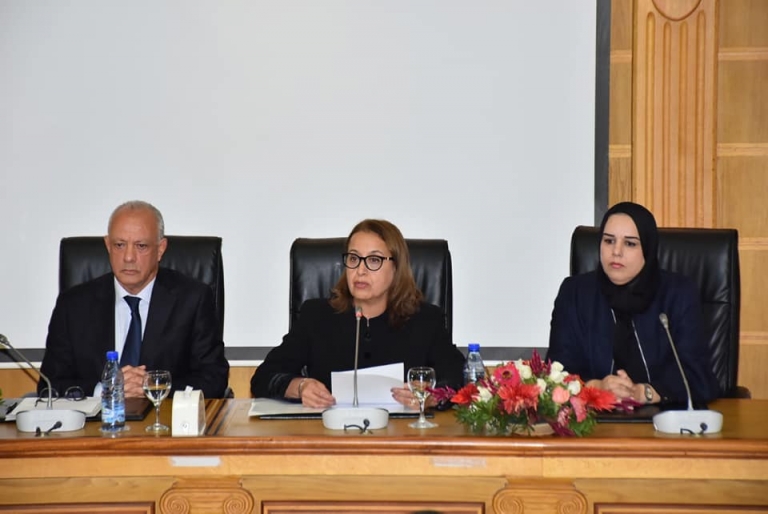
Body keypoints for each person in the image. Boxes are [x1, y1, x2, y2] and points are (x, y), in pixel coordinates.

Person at [250, 219, 465, 408]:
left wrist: (432, 395)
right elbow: (263, 377)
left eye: (374, 260)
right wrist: (300, 387)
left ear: (396, 268)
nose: (360, 270)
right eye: (353, 259)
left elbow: (458, 378)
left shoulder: (425, 320)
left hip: (403, 435)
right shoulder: (316, 316)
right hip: (331, 434)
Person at [39, 200, 230, 399]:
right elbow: (49, 385)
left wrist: (154, 387)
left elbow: (214, 378)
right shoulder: (73, 305)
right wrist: (106, 389)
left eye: (141, 246)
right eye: (119, 245)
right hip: (97, 418)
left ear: (161, 249)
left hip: (163, 416)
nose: (128, 257)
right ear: (108, 245)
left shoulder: (192, 300)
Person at [546, 202, 719, 406]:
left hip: (664, 418)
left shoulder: (678, 294)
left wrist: (644, 392)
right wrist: (597, 387)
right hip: (593, 417)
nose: (616, 251)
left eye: (630, 243)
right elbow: (557, 371)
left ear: (647, 248)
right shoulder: (575, 293)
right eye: (609, 241)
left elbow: (697, 375)